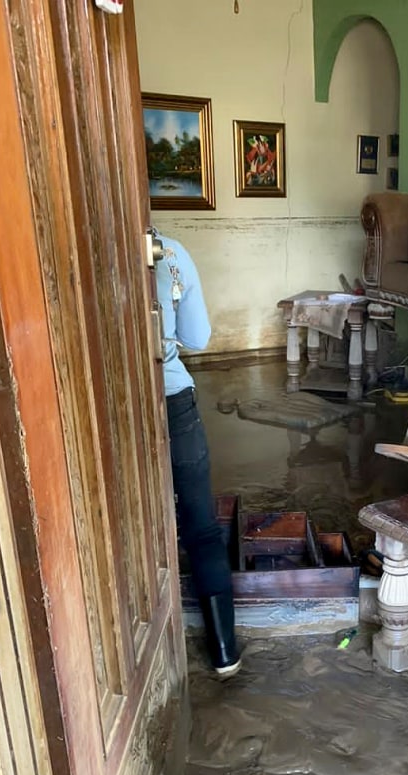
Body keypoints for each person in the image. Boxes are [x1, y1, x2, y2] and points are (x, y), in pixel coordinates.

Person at [154, 231, 241, 676]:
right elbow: (199, 337)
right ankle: (225, 653)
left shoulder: (75, 243)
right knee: (201, 526)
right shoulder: (168, 251)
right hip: (172, 397)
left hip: (103, 403)